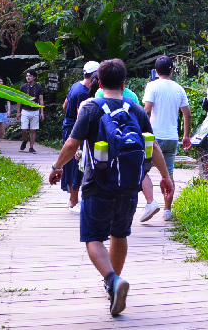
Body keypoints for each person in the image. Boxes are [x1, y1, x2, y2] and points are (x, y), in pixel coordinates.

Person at [48, 59, 174, 318]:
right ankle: (112, 286)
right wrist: (165, 176)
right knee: (120, 234)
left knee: (93, 238)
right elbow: (154, 146)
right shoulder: (136, 110)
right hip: (129, 186)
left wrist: (56, 166)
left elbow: (72, 143)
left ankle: (112, 281)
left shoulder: (91, 107)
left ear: (99, 83)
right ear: (124, 83)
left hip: (97, 185)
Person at [140, 55, 191, 222]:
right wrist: (186, 136)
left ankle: (151, 202)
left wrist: (141, 131)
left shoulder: (152, 86)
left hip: (153, 138)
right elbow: (187, 114)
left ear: (155, 71)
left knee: (142, 170)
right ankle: (168, 211)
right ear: (172, 70)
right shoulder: (179, 89)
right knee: (168, 174)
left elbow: (147, 111)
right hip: (171, 137)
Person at [60, 61, 99, 213]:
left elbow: (65, 106)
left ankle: (72, 200)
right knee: (77, 165)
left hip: (67, 127)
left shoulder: (76, 85)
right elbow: (80, 116)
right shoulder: (84, 92)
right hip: (75, 130)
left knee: (72, 164)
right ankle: (74, 203)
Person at [18, 71, 45, 153]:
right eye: (27, 76)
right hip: (25, 110)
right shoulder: (23, 87)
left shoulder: (39, 88)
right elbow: (19, 100)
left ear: (34, 77)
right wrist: (18, 112)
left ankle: (31, 147)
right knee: (24, 128)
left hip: (35, 111)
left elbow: (41, 100)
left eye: (30, 76)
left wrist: (42, 112)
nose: (28, 77)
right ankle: (25, 139)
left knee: (33, 129)